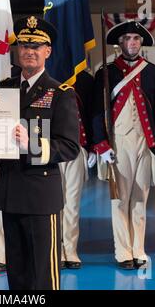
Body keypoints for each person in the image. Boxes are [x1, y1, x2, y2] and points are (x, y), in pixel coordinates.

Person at [0, 15, 80, 290]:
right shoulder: (4, 89)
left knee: (44, 276)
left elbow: (69, 146)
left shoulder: (60, 93)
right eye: (24, 44)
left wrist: (33, 143)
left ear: (48, 51)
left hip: (41, 196)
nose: (29, 51)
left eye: (36, 46)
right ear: (18, 49)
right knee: (16, 274)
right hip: (9, 190)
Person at [92, 20, 155, 270]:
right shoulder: (107, 71)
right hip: (118, 142)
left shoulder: (154, 72)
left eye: (135, 38)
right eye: (126, 39)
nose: (131, 43)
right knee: (119, 200)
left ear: (141, 42)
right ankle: (122, 251)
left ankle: (138, 248)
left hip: (145, 143)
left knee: (140, 200)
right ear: (119, 43)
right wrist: (101, 144)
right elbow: (96, 112)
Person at [59, 69, 96, 270]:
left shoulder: (85, 79)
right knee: (53, 203)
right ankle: (55, 248)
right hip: (51, 148)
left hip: (77, 147)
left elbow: (92, 113)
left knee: (72, 204)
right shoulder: (46, 75)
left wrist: (92, 146)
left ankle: (70, 250)